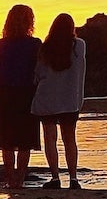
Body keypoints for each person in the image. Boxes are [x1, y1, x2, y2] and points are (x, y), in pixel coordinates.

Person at [0, 4, 41, 189]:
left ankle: (11, 180)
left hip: (7, 93)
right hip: (27, 93)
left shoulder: (2, 44)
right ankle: (20, 180)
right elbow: (39, 68)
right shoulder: (35, 44)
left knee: (7, 140)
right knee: (25, 140)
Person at [32, 13, 87, 188]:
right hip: (69, 98)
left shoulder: (45, 48)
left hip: (48, 97)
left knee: (50, 138)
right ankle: (73, 178)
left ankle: (55, 178)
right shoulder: (79, 46)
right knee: (69, 139)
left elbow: (38, 74)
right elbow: (81, 70)